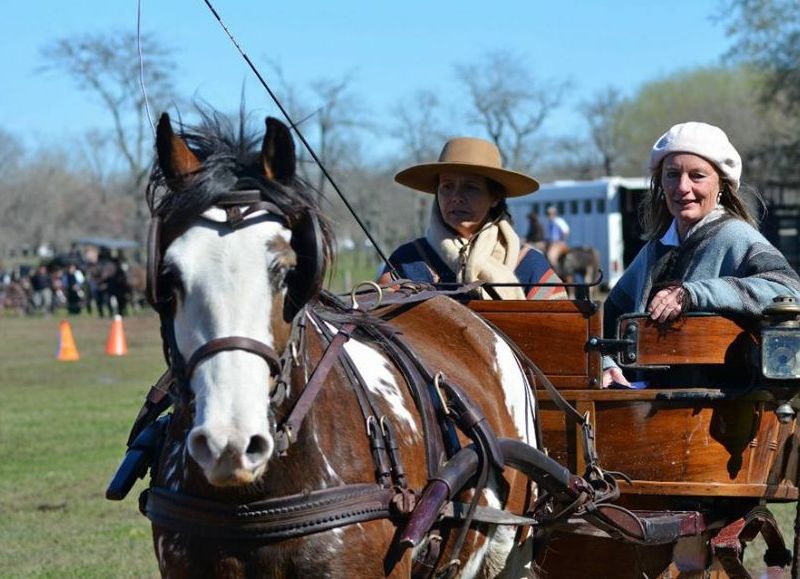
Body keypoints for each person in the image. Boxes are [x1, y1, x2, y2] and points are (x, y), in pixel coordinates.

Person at [602, 121, 800, 388]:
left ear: (722, 184)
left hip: (721, 416)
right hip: (646, 406)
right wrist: (608, 365)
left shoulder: (735, 236)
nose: (682, 187)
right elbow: (611, 314)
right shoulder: (655, 249)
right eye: (672, 175)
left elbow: (789, 291)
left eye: (697, 176)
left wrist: (693, 294)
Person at [377, 137, 565, 299]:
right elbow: (374, 328)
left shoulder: (528, 264)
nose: (456, 197)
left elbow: (561, 330)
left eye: (470, 187)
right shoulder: (408, 260)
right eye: (447, 187)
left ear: (495, 197)